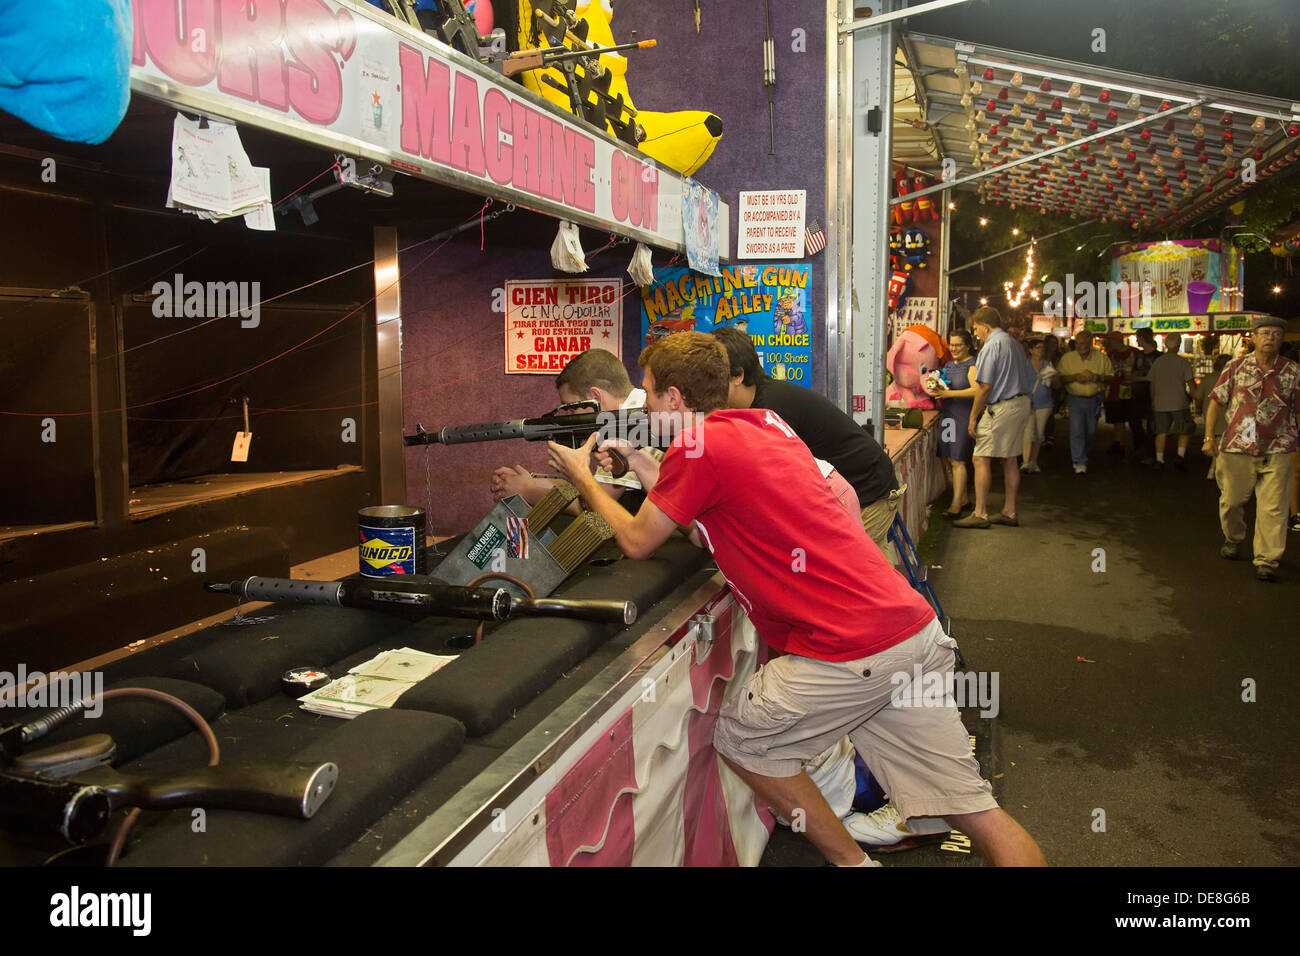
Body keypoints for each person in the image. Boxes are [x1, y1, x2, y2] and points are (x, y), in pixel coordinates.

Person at [546, 331, 1046, 867]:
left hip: (852, 649)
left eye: (649, 391)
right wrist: (638, 460)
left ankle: (852, 863)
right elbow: (702, 528)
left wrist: (584, 476)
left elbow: (638, 540)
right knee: (976, 811)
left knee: (744, 741)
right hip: (908, 632)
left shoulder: (697, 448)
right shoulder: (760, 424)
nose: (643, 403)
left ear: (674, 398)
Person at [711, 327, 903, 560]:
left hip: (869, 495)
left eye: (713, 376)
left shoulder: (773, 409)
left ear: (738, 375)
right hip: (857, 491)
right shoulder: (760, 402)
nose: (708, 386)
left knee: (843, 578)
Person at [489, 348, 652, 511]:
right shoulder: (634, 408)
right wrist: (532, 481)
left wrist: (529, 490)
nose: (570, 416)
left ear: (595, 397)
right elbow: (591, 485)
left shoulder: (626, 424)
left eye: (572, 409)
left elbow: (596, 506)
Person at [1203, 316, 1300, 582]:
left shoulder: (1292, 371)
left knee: (1274, 508)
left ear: (1282, 340)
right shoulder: (1235, 367)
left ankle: (1267, 559)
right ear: (1254, 337)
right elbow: (1215, 402)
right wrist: (1209, 437)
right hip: (1237, 447)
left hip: (1278, 447)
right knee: (1232, 501)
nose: (1271, 338)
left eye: (1277, 334)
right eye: (1266, 333)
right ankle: (1233, 537)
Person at [952, 307, 1035, 528]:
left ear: (985, 326)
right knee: (1009, 459)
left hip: (1002, 406)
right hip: (1021, 403)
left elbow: (985, 386)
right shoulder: (1015, 344)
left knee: (980, 458)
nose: (976, 333)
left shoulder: (992, 345)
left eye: (976, 328)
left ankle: (980, 514)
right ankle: (1009, 511)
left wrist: (973, 416)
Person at [924, 328, 978, 517]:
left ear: (968, 346)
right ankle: (962, 498)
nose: (954, 348)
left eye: (958, 345)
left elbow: (977, 391)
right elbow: (943, 383)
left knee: (958, 459)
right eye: (951, 345)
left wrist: (949, 394)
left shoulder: (972, 365)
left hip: (962, 417)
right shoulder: (948, 365)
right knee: (948, 457)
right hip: (948, 416)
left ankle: (956, 505)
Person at [1057, 330, 1113, 474]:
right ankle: (1079, 460)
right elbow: (1060, 379)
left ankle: (1083, 454)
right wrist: (1075, 377)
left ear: (1090, 343)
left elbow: (1110, 377)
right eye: (1078, 343)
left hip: (1094, 399)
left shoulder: (1101, 358)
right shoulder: (1067, 358)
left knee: (1090, 431)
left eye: (1084, 343)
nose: (1081, 346)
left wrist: (1098, 377)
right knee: (1077, 430)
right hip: (1075, 398)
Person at [1148, 333, 1196, 471]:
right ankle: (1180, 456)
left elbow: (1152, 383)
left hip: (1160, 402)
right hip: (1179, 401)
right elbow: (1190, 383)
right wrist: (1197, 396)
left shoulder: (1158, 361)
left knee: (1161, 431)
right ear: (1179, 344)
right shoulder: (1182, 362)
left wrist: (1153, 399)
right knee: (1184, 429)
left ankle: (1159, 459)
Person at [1020, 337, 1056, 473]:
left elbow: (1054, 383)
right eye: (1037, 348)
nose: (1040, 350)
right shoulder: (1024, 365)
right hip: (1027, 402)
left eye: (1042, 348)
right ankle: (1025, 461)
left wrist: (1052, 377)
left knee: (1039, 434)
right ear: (1031, 350)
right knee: (1028, 432)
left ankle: (1033, 461)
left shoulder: (1047, 364)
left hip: (1044, 403)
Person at [1101, 331, 1136, 457]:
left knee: (1129, 419)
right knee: (1117, 419)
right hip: (1114, 391)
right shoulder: (1110, 355)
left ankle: (1124, 443)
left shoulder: (1133, 353)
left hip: (1129, 390)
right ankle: (1118, 442)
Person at [1131, 327, 1160, 464]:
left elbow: (1155, 378)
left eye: (1138, 338)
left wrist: (1141, 379)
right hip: (1139, 393)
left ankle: (1150, 453)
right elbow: (1135, 373)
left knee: (1151, 425)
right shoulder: (1139, 356)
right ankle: (1141, 449)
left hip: (1152, 394)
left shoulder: (1158, 357)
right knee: (1135, 421)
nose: (1136, 340)